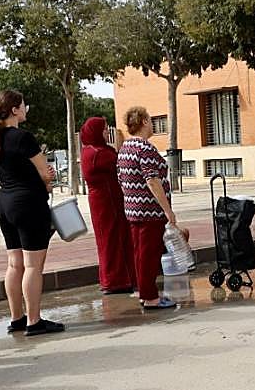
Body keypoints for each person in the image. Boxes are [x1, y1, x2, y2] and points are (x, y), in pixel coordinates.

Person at [0, 89, 65, 336]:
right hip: (28, 203)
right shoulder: (23, 137)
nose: (26, 108)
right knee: (33, 266)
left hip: (5, 203)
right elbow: (45, 173)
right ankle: (34, 320)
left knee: (14, 263)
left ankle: (17, 318)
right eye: (23, 105)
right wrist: (48, 178)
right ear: (14, 109)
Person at [117, 106, 187, 310]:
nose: (152, 124)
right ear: (144, 122)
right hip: (149, 211)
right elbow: (152, 180)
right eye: (150, 119)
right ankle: (150, 297)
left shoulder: (124, 149)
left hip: (133, 210)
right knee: (149, 254)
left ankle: (144, 291)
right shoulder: (144, 148)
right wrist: (167, 209)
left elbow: (122, 179)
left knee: (140, 253)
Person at [79, 116, 135, 295]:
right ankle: (115, 280)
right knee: (112, 239)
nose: (106, 132)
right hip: (106, 203)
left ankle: (121, 277)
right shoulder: (98, 153)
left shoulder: (94, 150)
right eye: (103, 129)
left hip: (107, 201)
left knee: (113, 239)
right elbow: (120, 163)